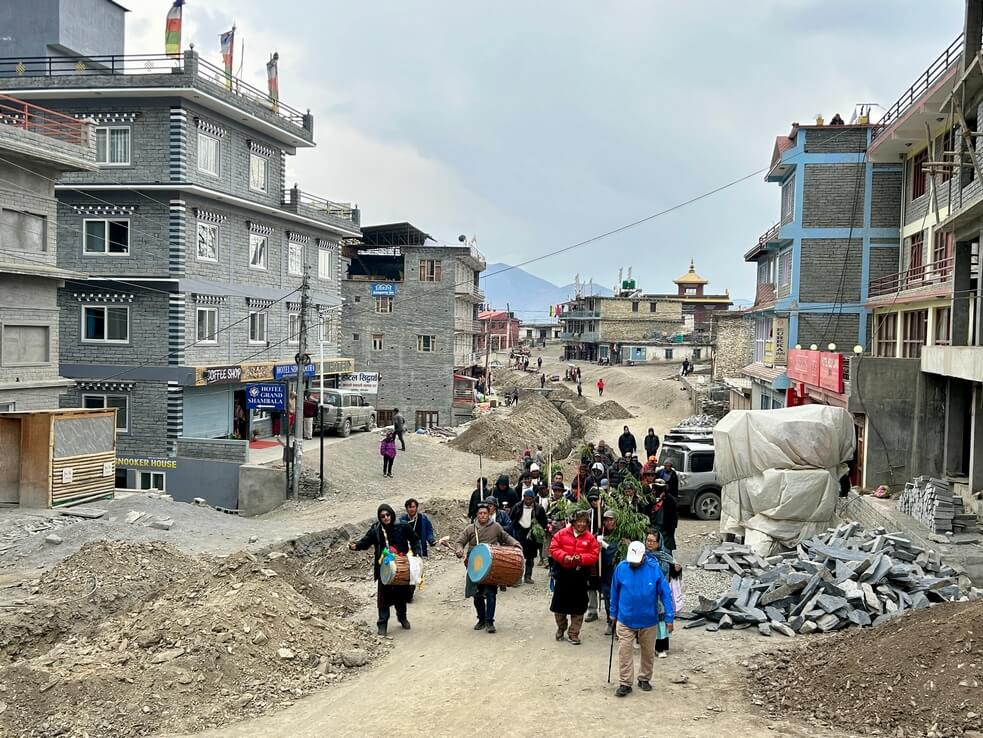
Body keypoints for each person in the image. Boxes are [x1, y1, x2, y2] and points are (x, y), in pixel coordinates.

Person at [609, 540, 675, 697]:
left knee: (648, 651)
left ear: (644, 557)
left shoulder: (654, 569)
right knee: (624, 651)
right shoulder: (621, 568)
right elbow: (614, 591)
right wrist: (613, 612)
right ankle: (625, 682)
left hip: (648, 620)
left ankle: (644, 678)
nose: (633, 563)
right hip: (625, 618)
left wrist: (669, 617)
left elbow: (666, 594)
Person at [349, 504, 421, 635]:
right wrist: (356, 546)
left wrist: (416, 554)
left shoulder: (403, 526)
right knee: (383, 598)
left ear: (391, 514)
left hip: (401, 567)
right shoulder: (376, 529)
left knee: (401, 595)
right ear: (379, 517)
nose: (386, 518)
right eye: (383, 516)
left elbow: (415, 539)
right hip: (384, 569)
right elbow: (366, 541)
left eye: (388, 515)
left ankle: (402, 618)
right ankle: (382, 624)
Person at [455, 502, 522, 633]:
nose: (483, 515)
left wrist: (516, 543)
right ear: (477, 515)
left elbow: (506, 537)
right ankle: (481, 619)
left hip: (492, 565)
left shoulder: (495, 527)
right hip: (474, 565)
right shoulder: (470, 529)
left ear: (489, 514)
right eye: (480, 513)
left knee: (491, 594)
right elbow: (459, 542)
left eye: (485, 513)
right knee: (476, 594)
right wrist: (459, 549)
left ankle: (490, 621)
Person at [549, 509, 600, 645]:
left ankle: (574, 633)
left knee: (578, 607)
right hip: (563, 575)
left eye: (584, 521)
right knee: (559, 606)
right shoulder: (562, 534)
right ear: (573, 522)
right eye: (579, 521)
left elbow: (594, 555)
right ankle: (561, 627)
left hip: (580, 576)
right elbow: (553, 549)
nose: (582, 524)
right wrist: (564, 557)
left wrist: (581, 558)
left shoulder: (590, 538)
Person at [644, 529, 681, 657]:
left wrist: (676, 569)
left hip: (660, 594)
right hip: (646, 592)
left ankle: (660, 648)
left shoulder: (665, 556)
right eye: (648, 540)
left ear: (659, 543)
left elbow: (673, 574)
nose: (649, 544)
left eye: (653, 541)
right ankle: (646, 644)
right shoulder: (642, 556)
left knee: (660, 620)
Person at [510, 488, 548, 583]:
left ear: (533, 499)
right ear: (523, 498)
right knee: (519, 557)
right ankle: (518, 577)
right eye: (526, 499)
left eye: (530, 499)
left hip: (531, 535)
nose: (528, 501)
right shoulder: (517, 506)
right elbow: (511, 518)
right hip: (519, 533)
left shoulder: (539, 508)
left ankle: (528, 576)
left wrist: (537, 528)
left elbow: (544, 522)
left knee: (530, 557)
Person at [597, 510, 622, 634]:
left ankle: (620, 624)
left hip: (618, 572)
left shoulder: (622, 535)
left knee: (621, 597)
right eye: (606, 520)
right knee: (608, 596)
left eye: (611, 519)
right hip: (606, 572)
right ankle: (610, 621)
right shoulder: (601, 535)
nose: (609, 522)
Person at [647, 479, 678, 552]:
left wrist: (670, 530)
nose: (658, 489)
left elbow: (674, 518)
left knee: (666, 551)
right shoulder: (650, 499)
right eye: (657, 487)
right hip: (653, 529)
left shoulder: (670, 500)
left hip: (665, 530)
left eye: (660, 487)